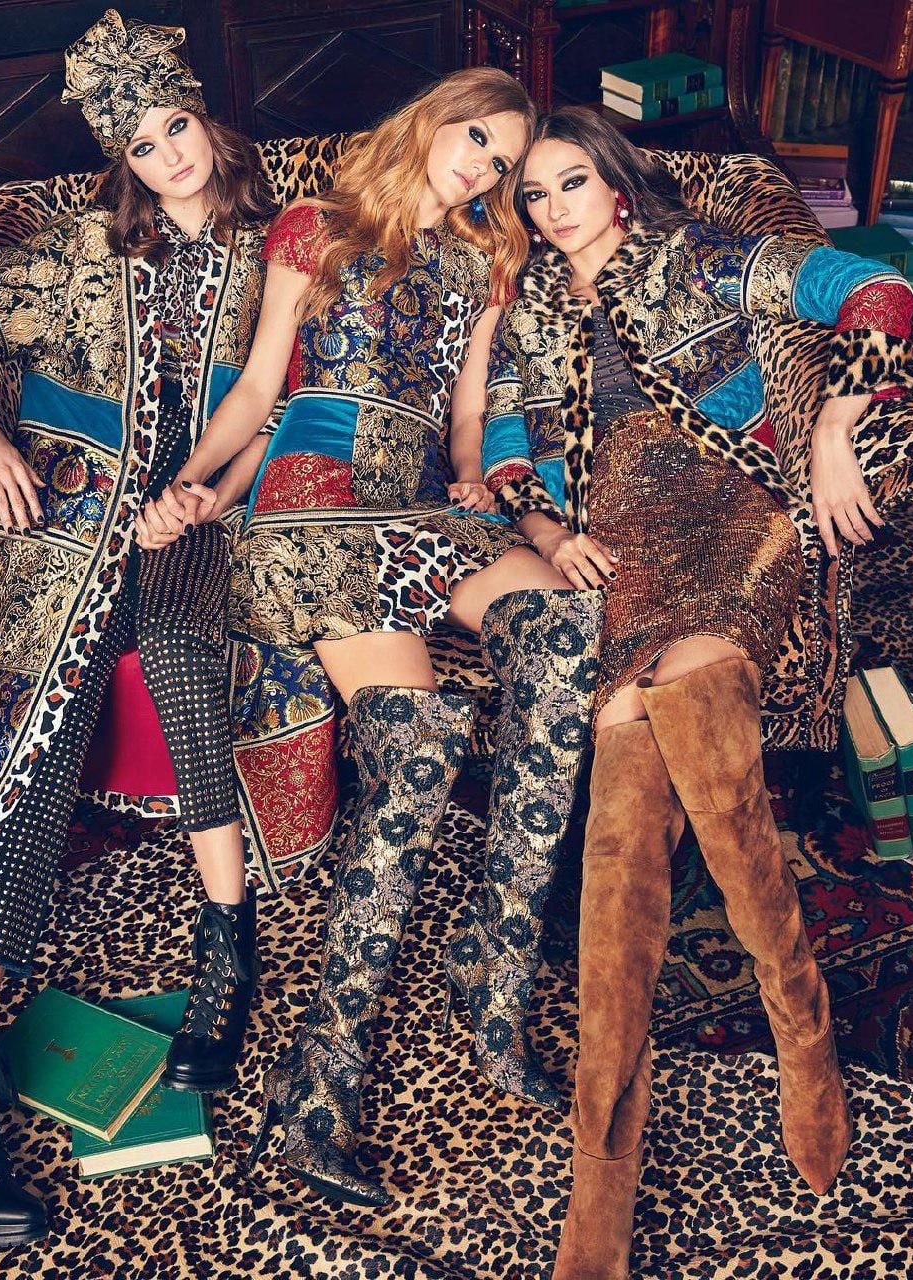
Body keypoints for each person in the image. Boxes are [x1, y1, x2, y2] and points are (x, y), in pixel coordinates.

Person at [136, 68, 604, 1209]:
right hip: (317, 501)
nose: (484, 169)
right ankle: (318, 1081)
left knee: (564, 631)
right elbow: (259, 386)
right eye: (477, 139)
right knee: (422, 746)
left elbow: (464, 413)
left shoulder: (488, 261)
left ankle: (493, 965)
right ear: (435, 115)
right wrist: (188, 486)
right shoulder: (318, 226)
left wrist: (486, 490)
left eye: (503, 163)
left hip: (424, 500)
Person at [482, 106, 913, 1279]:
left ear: (616, 183)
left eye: (572, 183)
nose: (553, 209)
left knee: (686, 707)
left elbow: (877, 291)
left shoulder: (709, 259)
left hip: (733, 522)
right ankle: (617, 1155)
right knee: (626, 802)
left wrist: (834, 424)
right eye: (535, 194)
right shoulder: (530, 310)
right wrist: (546, 530)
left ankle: (780, 1036)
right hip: (614, 551)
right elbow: (511, 449)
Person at [0, 10, 277, 1248]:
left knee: (183, 660)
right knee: (36, 755)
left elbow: (294, 398)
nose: (168, 157)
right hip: (70, 518)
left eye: (176, 127)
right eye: (142, 145)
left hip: (202, 514)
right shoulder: (76, 248)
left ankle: (226, 942)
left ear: (205, 120)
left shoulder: (277, 252)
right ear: (122, 160)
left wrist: (207, 496)